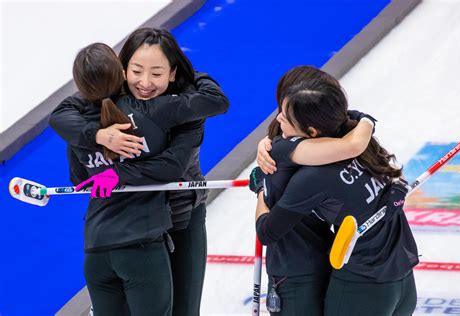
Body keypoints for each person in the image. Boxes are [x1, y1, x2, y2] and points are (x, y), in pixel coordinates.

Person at [49, 35, 229, 315]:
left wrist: (115, 174)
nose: (145, 83)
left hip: (181, 218)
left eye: (157, 73)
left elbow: (172, 166)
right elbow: (61, 116)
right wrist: (98, 135)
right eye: (136, 72)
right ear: (121, 72)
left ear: (173, 73)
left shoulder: (186, 107)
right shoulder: (99, 102)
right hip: (131, 230)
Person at [252, 69, 418, 316]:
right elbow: (390, 170)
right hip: (401, 278)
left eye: (285, 116)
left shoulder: (308, 173)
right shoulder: (358, 138)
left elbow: (268, 232)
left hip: (361, 287)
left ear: (311, 132)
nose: (277, 120)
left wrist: (261, 190)